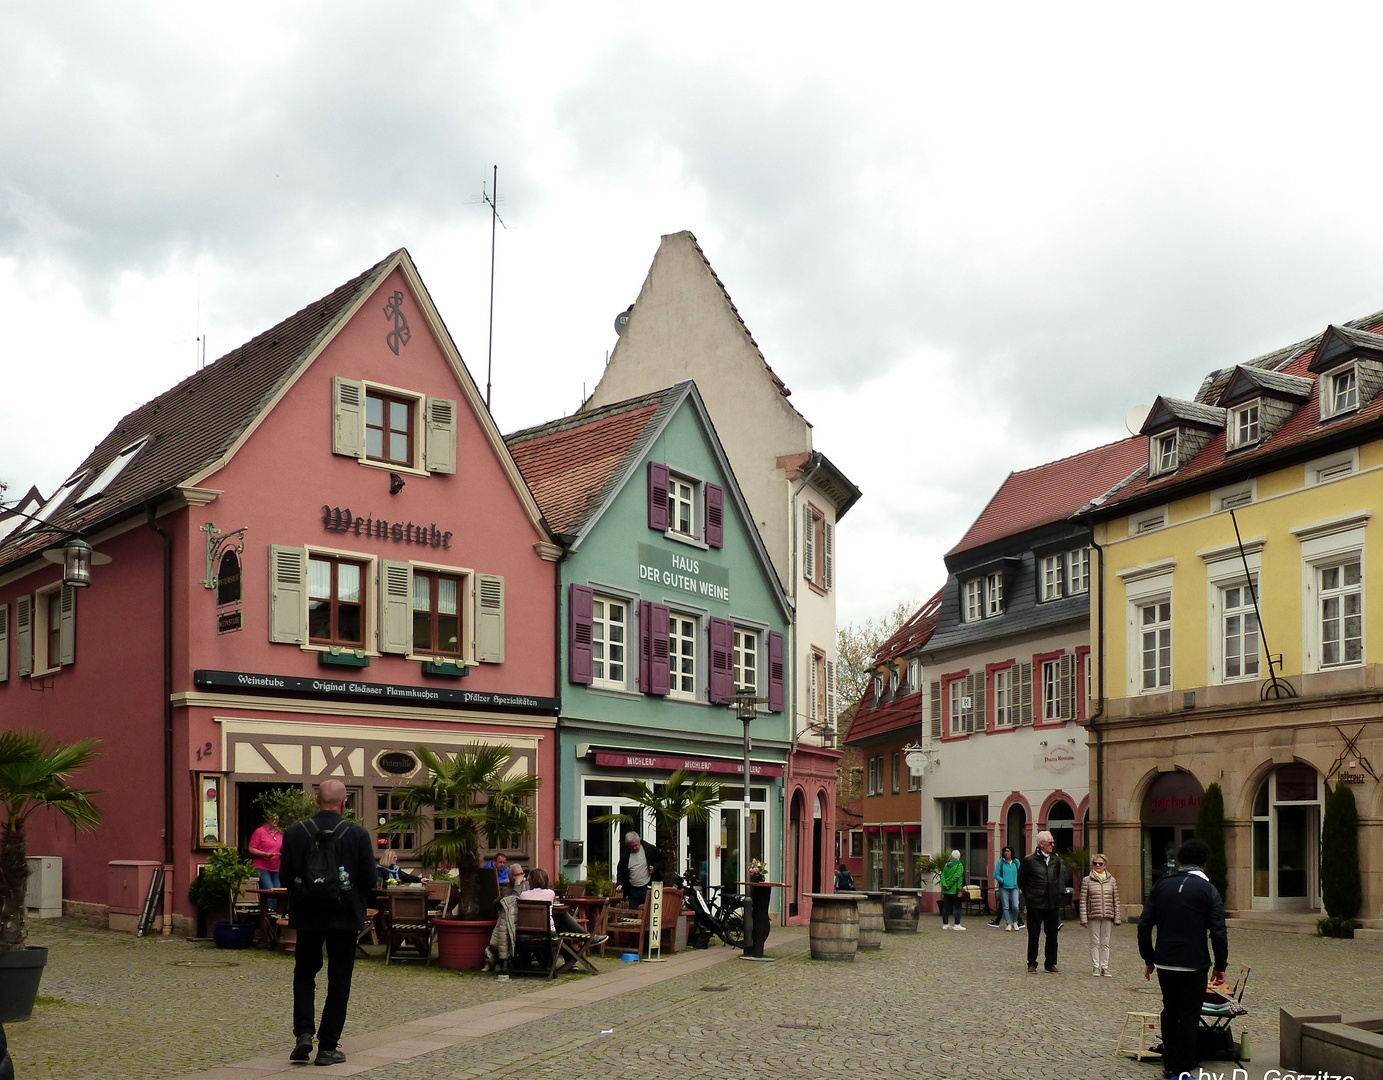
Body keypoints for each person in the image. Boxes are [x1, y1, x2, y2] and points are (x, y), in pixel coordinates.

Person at [280, 779, 375, 1067]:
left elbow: (285, 879)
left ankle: (304, 1034)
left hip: (307, 916)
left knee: (304, 975)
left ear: (317, 801)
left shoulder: (296, 832)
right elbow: (370, 880)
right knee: (339, 980)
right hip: (344, 917)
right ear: (345, 802)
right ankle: (328, 1046)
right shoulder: (357, 834)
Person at [1138, 839, 1228, 1080]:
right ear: (1204, 863)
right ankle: (1182, 1068)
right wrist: (1221, 965)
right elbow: (1218, 931)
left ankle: (1169, 1063)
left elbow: (1144, 924)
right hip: (1193, 962)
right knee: (1189, 1014)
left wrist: (1148, 957)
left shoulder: (1161, 885)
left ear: (1180, 861)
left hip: (1165, 960)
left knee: (1169, 1010)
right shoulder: (1208, 890)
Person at [1017, 830, 1069, 973]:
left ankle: (1050, 962)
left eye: (1053, 842)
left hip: (1052, 902)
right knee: (1034, 934)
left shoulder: (1055, 860)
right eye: (1050, 842)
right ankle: (1032, 962)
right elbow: (1021, 880)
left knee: (1052, 934)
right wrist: (1030, 895)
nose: (1052, 845)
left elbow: (1057, 878)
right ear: (1041, 844)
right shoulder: (1029, 860)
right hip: (1035, 903)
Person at [519, 868, 608, 943]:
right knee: (562, 918)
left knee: (561, 922)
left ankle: (583, 941)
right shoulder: (550, 893)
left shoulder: (523, 895)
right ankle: (586, 937)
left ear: (529, 881)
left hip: (527, 932)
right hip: (548, 933)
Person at [1080, 853, 1121, 976]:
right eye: (1095, 863)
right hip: (1094, 914)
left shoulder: (1112, 880)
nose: (1097, 865)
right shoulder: (1087, 880)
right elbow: (1083, 900)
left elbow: (1116, 900)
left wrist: (1117, 918)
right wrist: (1083, 918)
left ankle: (1105, 966)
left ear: (1105, 866)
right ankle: (1096, 966)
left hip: (1108, 914)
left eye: (1100, 864)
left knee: (1105, 942)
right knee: (1095, 941)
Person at [615, 832, 663, 909]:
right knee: (634, 914)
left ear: (639, 841)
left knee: (647, 912)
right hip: (632, 889)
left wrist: (655, 867)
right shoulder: (625, 854)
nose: (634, 848)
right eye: (632, 846)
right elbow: (621, 870)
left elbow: (662, 861)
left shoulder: (650, 849)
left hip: (647, 887)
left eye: (636, 845)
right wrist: (620, 883)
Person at [248, 813, 283, 911]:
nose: (275, 822)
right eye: (273, 820)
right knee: (269, 889)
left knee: (277, 890)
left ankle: (273, 913)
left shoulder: (280, 833)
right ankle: (267, 913)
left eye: (277, 820)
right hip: (262, 865)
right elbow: (251, 848)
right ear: (268, 820)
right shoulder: (260, 832)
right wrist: (265, 854)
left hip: (276, 866)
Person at [993, 845, 1022, 931]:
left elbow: (1020, 873)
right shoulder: (1000, 863)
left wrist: (1019, 882)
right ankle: (1008, 923)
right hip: (1004, 887)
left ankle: (1015, 921)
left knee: (1015, 906)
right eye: (1005, 851)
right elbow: (996, 875)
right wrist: (1002, 880)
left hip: (1015, 887)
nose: (1006, 853)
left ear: (1011, 852)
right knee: (1005, 906)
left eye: (1008, 851)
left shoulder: (1016, 862)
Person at [939, 849, 966, 929]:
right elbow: (957, 876)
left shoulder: (947, 864)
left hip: (946, 890)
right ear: (959, 857)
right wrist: (950, 884)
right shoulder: (959, 865)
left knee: (946, 907)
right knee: (958, 907)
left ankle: (945, 924)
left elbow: (942, 875)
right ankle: (957, 924)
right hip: (955, 889)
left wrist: (945, 884)